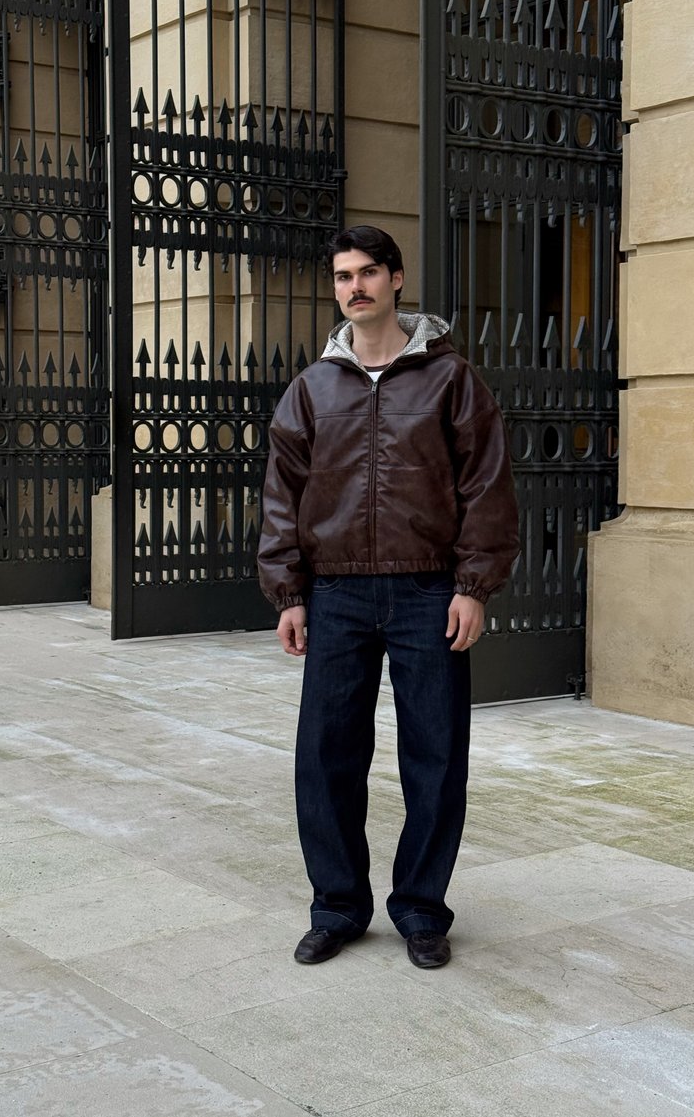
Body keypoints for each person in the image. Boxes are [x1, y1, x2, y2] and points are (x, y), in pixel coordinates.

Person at [258, 225, 519, 969]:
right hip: (336, 593)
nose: (355, 286)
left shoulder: (451, 380)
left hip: (426, 590)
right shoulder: (312, 388)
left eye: (369, 271)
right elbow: (283, 496)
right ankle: (337, 905)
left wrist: (474, 585)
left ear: (397, 279)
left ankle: (421, 909)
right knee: (325, 757)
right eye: (343, 276)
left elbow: (486, 487)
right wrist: (289, 593)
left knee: (435, 756)